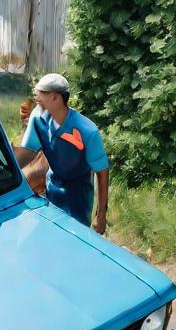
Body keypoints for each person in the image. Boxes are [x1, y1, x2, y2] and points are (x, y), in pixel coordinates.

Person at [14, 73, 110, 234]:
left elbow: (102, 171)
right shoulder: (38, 117)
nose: (36, 96)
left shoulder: (87, 131)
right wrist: (3, 172)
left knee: (75, 240)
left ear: (55, 98)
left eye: (42, 93)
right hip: (52, 189)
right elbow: (27, 153)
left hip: (78, 197)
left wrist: (101, 214)